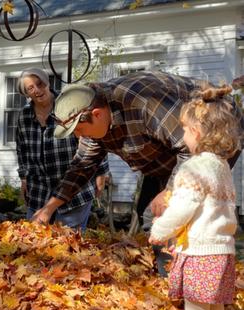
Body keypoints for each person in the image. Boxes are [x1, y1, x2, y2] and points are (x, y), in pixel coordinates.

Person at [32, 71, 242, 275]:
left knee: (178, 214)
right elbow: (81, 167)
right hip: (167, 155)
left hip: (214, 133)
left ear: (97, 114)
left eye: (78, 130)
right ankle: (173, 277)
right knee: (149, 210)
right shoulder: (94, 123)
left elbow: (191, 151)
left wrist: (170, 192)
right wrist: (49, 209)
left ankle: (196, 282)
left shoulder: (144, 102)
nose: (78, 136)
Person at [149, 85, 239, 310]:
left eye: (185, 130)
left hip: (200, 254)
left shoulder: (194, 168)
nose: (183, 136)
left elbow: (182, 210)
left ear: (196, 132)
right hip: (223, 252)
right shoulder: (222, 167)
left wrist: (159, 231)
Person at [16, 68, 108, 231]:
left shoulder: (67, 105)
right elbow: (21, 149)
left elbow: (93, 136)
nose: (37, 90)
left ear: (47, 82)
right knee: (32, 241)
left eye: (40, 84)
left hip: (74, 187)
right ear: (26, 93)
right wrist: (23, 177)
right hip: (38, 189)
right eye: (31, 88)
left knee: (67, 245)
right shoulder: (24, 116)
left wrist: (101, 171)